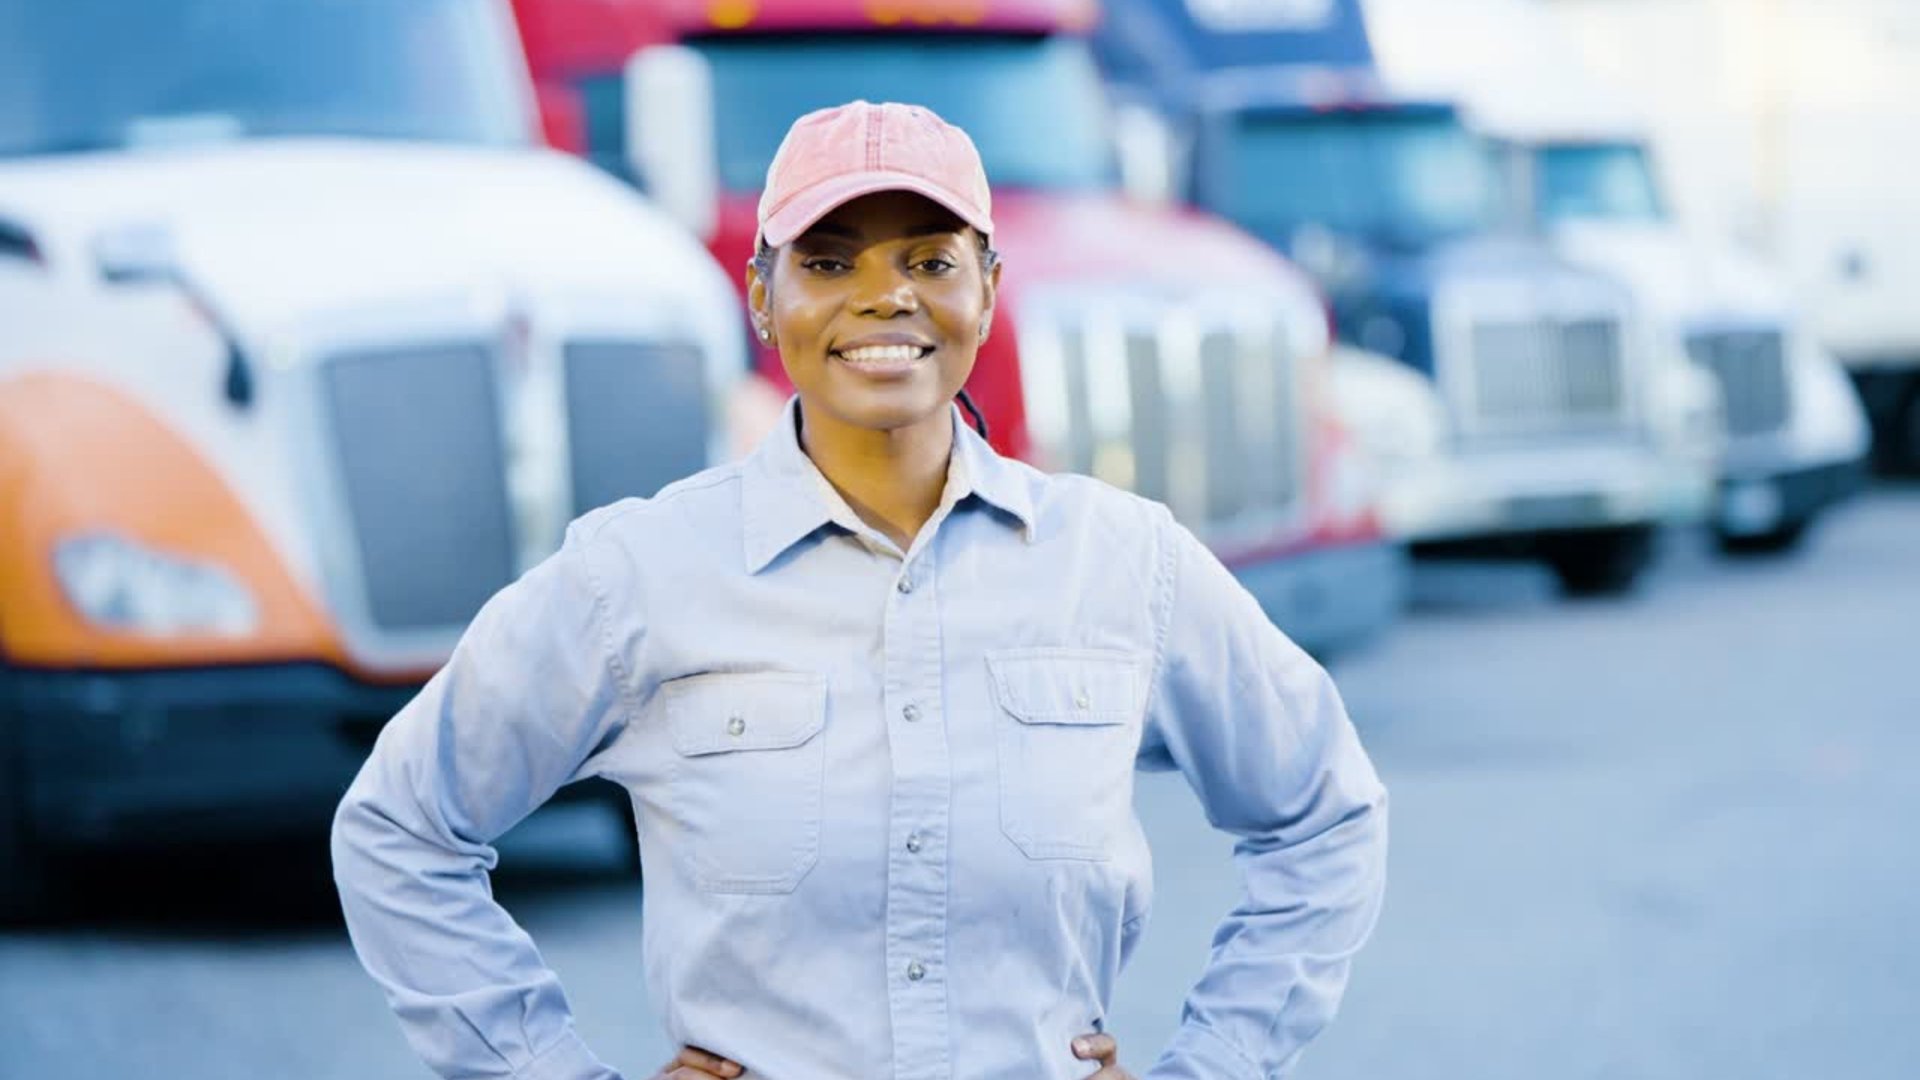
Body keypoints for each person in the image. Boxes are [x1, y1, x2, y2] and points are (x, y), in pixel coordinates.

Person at [331, 100, 1388, 1080]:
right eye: (829, 261)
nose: (886, 296)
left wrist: (1210, 1065)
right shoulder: (639, 574)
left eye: (930, 258)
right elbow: (400, 828)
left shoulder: (1123, 564)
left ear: (987, 284)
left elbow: (1325, 815)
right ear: (762, 295)